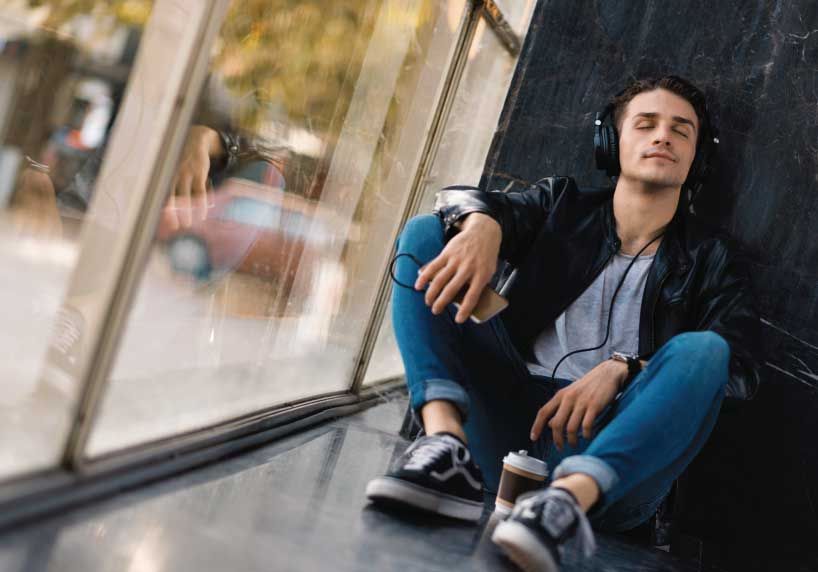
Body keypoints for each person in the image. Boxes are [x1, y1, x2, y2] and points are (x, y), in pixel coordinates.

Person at [365, 75, 760, 571]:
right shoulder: (562, 204)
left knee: (706, 350)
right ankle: (445, 447)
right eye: (646, 124)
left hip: (608, 446)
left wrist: (625, 368)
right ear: (610, 142)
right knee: (427, 233)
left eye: (681, 130)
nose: (663, 137)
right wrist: (482, 223)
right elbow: (460, 205)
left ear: (697, 157)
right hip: (503, 416)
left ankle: (565, 505)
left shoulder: (711, 258)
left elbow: (739, 372)